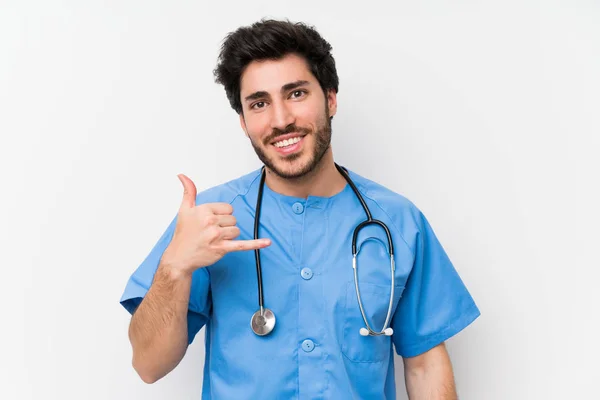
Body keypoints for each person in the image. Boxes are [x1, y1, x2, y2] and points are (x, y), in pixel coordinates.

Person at [119, 18, 480, 399]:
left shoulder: (398, 223)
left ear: (331, 98)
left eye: (296, 94)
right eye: (259, 103)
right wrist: (174, 267)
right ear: (243, 122)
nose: (280, 120)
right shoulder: (209, 219)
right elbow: (148, 365)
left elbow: (424, 366)